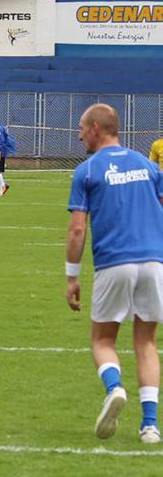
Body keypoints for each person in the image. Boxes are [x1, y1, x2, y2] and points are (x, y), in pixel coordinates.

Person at [65, 103, 163, 444]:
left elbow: (78, 230)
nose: (78, 136)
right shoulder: (149, 167)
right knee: (146, 342)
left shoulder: (88, 171)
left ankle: (114, 388)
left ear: (95, 128)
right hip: (153, 262)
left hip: (114, 262)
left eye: (80, 128)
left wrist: (72, 276)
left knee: (103, 340)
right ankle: (150, 426)